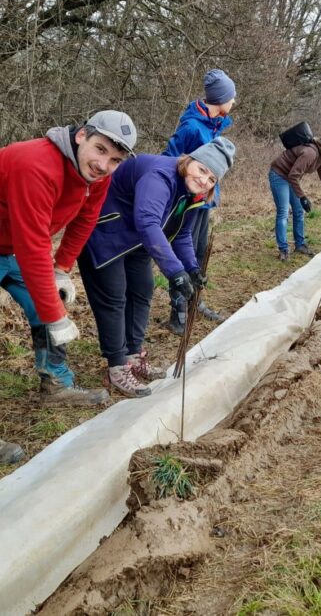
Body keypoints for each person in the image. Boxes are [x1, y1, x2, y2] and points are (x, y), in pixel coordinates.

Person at [0, 110, 137, 464]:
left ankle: (57, 384)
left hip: (9, 235)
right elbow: (33, 244)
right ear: (82, 135)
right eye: (100, 150)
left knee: (46, 301)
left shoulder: (97, 177)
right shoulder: (36, 164)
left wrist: (62, 270)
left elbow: (85, 219)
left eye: (114, 160)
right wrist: (56, 315)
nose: (103, 165)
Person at [79, 138, 236, 398]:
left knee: (142, 290)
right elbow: (148, 222)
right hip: (104, 233)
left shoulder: (190, 193)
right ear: (190, 161)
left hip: (135, 241)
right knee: (115, 297)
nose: (203, 180)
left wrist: (192, 269)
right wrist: (174, 272)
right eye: (202, 170)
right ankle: (116, 366)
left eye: (211, 179)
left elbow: (182, 233)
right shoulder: (160, 176)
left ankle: (133, 354)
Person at [163, 69, 236, 335]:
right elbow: (171, 157)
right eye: (232, 97)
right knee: (185, 251)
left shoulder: (214, 124)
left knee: (200, 251)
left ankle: (196, 302)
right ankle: (178, 311)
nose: (234, 102)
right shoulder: (193, 126)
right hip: (187, 201)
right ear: (221, 99)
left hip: (203, 202)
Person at [269, 130, 321, 260]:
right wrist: (303, 197)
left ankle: (300, 245)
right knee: (284, 212)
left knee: (299, 211)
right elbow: (293, 176)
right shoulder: (310, 153)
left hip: (291, 178)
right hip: (279, 175)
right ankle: (283, 249)